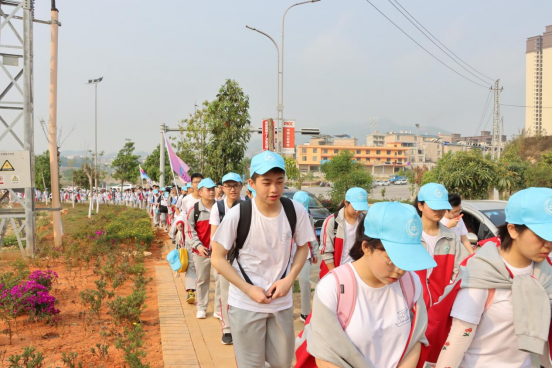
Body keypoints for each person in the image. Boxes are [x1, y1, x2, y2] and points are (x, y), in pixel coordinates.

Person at [421, 188, 553, 368]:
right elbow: (458, 339)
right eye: (541, 236)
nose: (548, 244)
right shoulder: (481, 274)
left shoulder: (545, 273)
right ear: (513, 230)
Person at [296, 202, 436, 368]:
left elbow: (415, 340)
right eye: (392, 260)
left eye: (406, 260)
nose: (400, 270)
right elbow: (325, 356)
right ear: (366, 248)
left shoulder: (411, 283)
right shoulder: (332, 288)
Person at [211, 151, 316, 368]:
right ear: (252, 183)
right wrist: (248, 289)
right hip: (245, 305)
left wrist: (289, 281)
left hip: (281, 304)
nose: (274, 189)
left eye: (279, 182)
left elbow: (303, 248)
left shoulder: (294, 211)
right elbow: (217, 258)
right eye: (266, 182)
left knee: (282, 364)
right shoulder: (238, 214)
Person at [415, 183, 468, 308]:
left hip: (440, 305)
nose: (439, 211)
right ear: (420, 206)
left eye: (442, 207)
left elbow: (461, 271)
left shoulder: (451, 237)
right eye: (434, 207)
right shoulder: (409, 236)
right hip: (413, 307)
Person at [210, 172, 245, 346]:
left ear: (241, 186)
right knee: (225, 292)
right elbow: (214, 235)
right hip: (224, 255)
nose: (232, 189)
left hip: (244, 255)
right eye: (228, 186)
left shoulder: (248, 206)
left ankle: (242, 327)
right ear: (222, 188)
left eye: (236, 185)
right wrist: (217, 260)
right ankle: (227, 329)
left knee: (244, 291)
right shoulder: (218, 208)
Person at [319, 188, 368, 279]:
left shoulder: (364, 221)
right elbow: (326, 252)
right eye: (355, 208)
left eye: (361, 208)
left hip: (356, 271)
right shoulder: (331, 221)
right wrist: (335, 275)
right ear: (346, 203)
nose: (358, 211)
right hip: (336, 271)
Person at [186, 178, 217, 320]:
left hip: (218, 253)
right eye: (208, 189)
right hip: (201, 253)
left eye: (213, 189)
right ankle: (202, 308)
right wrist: (198, 246)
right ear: (200, 192)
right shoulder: (195, 210)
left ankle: (218, 309)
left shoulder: (220, 208)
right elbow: (189, 231)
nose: (212, 192)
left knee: (220, 281)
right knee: (202, 280)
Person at [293, 191, 320, 323]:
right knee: (287, 284)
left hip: (305, 254)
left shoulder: (308, 216)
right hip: (287, 255)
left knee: (304, 282)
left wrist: (314, 252)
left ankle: (305, 312)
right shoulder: (285, 214)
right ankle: (284, 313)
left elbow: (312, 235)